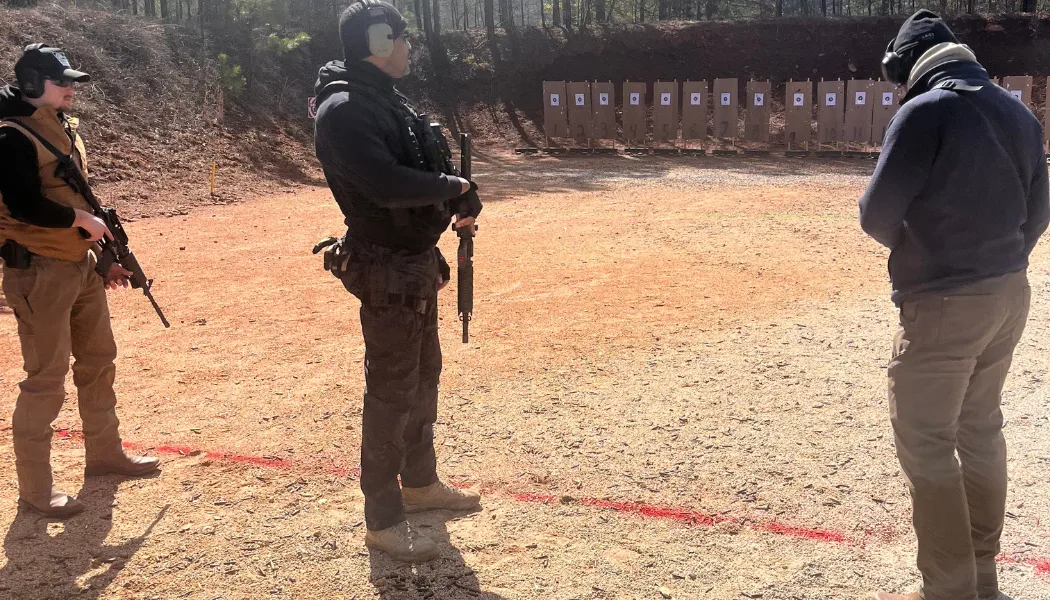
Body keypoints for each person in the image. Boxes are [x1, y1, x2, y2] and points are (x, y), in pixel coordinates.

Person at [860, 11, 1049, 600]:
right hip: (1008, 292)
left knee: (928, 442)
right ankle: (982, 578)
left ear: (909, 66)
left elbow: (876, 214)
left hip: (945, 300)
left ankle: (948, 591)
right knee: (980, 429)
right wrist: (996, 258)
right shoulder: (1018, 112)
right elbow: (1039, 210)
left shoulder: (926, 110)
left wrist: (932, 252)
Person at [312, 0, 483, 562]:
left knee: (423, 375)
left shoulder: (384, 98)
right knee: (391, 390)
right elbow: (386, 184)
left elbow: (422, 168)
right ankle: (383, 518)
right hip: (385, 262)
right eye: (400, 37)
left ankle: (420, 483)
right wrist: (454, 186)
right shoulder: (344, 109)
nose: (409, 46)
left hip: (413, 260)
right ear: (378, 42)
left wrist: (458, 195)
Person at [0, 44, 160, 519]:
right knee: (45, 381)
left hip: (78, 263)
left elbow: (77, 195)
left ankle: (105, 453)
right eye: (62, 81)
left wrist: (104, 258)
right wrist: (80, 221)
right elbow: (26, 205)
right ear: (33, 83)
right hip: (38, 271)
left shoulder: (61, 126)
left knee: (98, 360)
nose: (71, 88)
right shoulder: (10, 137)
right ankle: (36, 489)